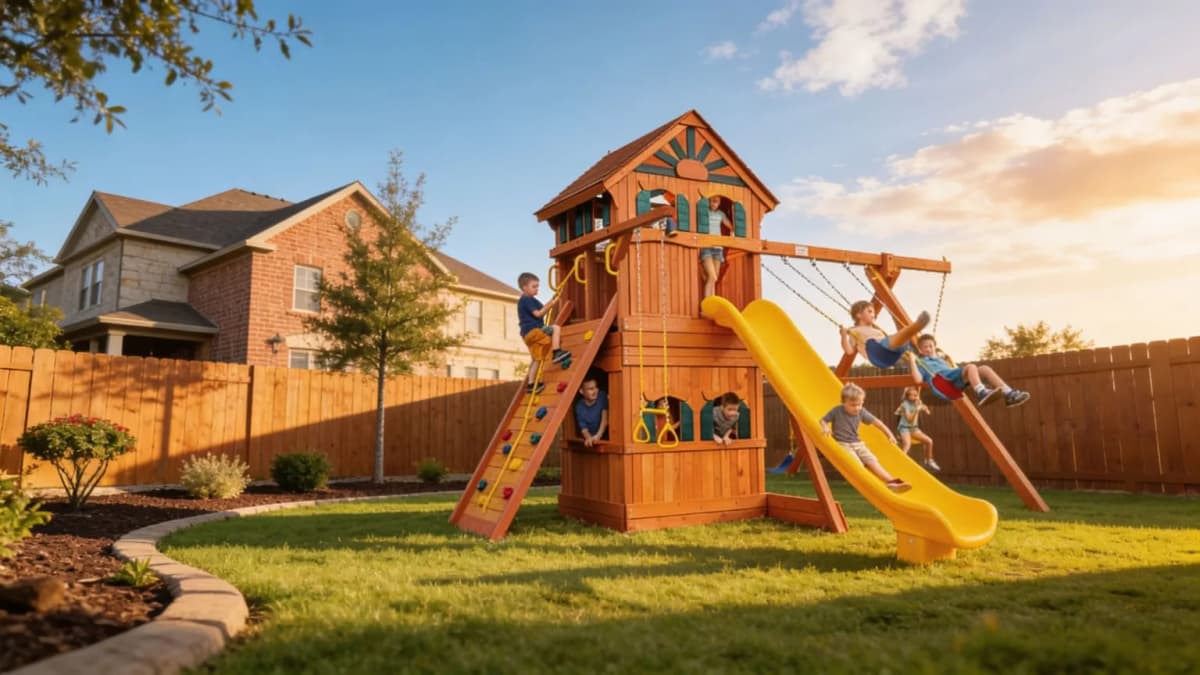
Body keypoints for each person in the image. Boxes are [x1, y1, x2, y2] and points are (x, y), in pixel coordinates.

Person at [820, 383, 912, 493]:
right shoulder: (836, 411)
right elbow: (823, 420)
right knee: (857, 464)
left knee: (872, 461)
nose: (857, 408)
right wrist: (825, 427)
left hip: (857, 443)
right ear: (843, 402)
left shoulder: (861, 412)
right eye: (853, 405)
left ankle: (891, 482)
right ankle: (872, 485)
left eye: (860, 404)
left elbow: (878, 423)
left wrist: (890, 435)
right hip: (843, 444)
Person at [908, 334, 1031, 407]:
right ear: (920, 350)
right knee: (971, 367)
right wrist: (912, 361)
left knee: (984, 369)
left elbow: (954, 370)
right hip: (943, 381)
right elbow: (918, 380)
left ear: (935, 347)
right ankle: (981, 392)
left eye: (931, 346)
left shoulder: (941, 360)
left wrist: (948, 361)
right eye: (925, 347)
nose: (928, 349)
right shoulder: (922, 363)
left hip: (952, 380)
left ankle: (1009, 394)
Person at [516, 272, 572, 394]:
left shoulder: (527, 301)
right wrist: (551, 304)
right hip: (534, 331)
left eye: (537, 286)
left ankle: (531, 385)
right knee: (556, 328)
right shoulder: (527, 299)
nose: (537, 289)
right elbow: (539, 313)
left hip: (527, 336)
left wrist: (552, 300)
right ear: (524, 287)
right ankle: (557, 352)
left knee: (536, 359)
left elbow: (543, 308)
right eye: (534, 286)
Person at [840, 301, 931, 369]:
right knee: (888, 341)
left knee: (905, 342)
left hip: (890, 356)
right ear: (858, 315)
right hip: (876, 353)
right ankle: (917, 325)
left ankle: (920, 360)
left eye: (874, 312)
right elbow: (849, 351)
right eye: (870, 311)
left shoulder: (877, 331)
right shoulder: (854, 330)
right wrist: (843, 335)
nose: (873, 315)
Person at [895, 386, 938, 471]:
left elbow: (923, 406)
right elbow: (909, 419)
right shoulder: (904, 405)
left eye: (916, 395)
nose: (915, 397)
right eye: (912, 395)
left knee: (929, 441)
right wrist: (917, 410)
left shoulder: (917, 402)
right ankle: (900, 461)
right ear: (908, 396)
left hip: (914, 429)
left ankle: (929, 460)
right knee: (907, 444)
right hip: (904, 428)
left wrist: (926, 409)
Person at [700, 195, 727, 299]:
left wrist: (733, 230)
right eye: (711, 201)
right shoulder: (704, 212)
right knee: (712, 276)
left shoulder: (721, 214)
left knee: (714, 278)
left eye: (715, 201)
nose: (713, 204)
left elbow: (728, 224)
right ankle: (708, 301)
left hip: (718, 249)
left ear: (719, 203)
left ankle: (713, 300)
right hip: (706, 246)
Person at [574, 377, 609, 447]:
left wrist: (598, 436)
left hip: (604, 437)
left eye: (596, 387)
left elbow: (605, 419)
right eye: (591, 389)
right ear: (581, 391)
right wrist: (589, 438)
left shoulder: (602, 396)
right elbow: (583, 428)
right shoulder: (579, 407)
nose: (595, 391)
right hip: (591, 438)